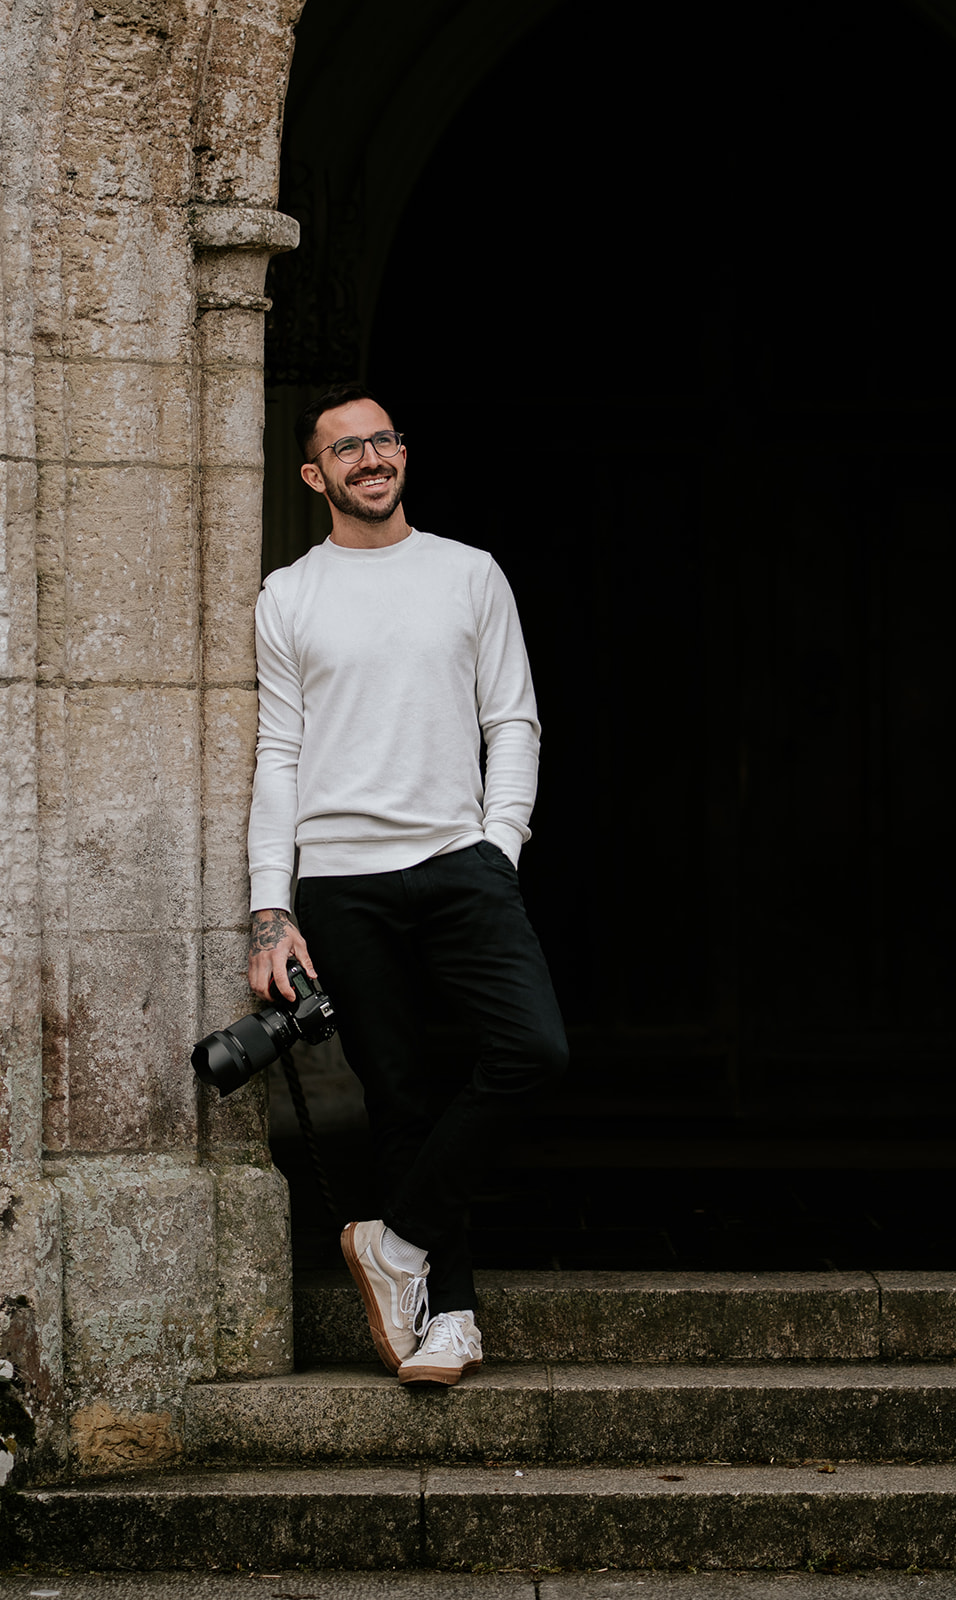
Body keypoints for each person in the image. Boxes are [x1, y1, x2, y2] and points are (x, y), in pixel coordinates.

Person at [246, 381, 567, 1386]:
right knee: (400, 1098)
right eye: (347, 448)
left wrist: (496, 846)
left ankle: (394, 1242)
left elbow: (511, 719)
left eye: (383, 439)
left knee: (532, 1050)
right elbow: (279, 754)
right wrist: (272, 909)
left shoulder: (467, 575)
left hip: (458, 862)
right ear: (315, 474)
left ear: (402, 454)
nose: (371, 458)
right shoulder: (289, 594)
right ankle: (449, 1318)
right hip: (342, 880)